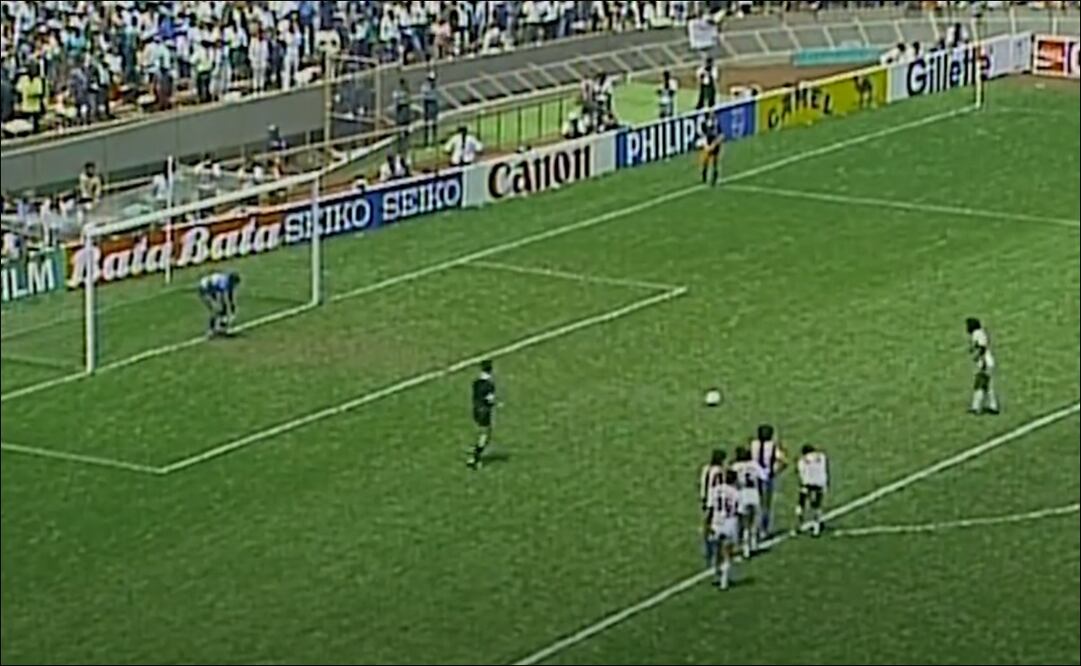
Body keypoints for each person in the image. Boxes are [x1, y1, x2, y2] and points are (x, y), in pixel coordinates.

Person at [704, 469, 741, 590]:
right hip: (730, 522)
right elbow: (738, 510)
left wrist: (707, 524)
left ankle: (717, 574)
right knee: (727, 553)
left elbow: (710, 508)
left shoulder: (715, 490)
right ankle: (724, 580)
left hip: (717, 521)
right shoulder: (736, 492)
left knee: (718, 550)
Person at [750, 424, 786, 537]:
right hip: (767, 476)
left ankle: (753, 529)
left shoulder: (753, 444)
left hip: (753, 476)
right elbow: (783, 460)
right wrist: (776, 471)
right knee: (766, 504)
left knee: (755, 504)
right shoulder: (773, 446)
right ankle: (763, 529)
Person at [730, 446, 764, 558]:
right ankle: (754, 544)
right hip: (754, 494)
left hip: (742, 495)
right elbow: (764, 477)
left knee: (744, 524)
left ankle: (745, 549)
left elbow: (731, 481)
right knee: (754, 522)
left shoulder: (735, 467)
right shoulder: (755, 465)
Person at [966, 317, 999, 415]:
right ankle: (980, 406)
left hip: (985, 362)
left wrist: (981, 361)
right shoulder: (979, 333)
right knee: (983, 385)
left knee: (983, 385)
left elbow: (982, 348)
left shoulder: (977, 334)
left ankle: (983, 407)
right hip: (986, 362)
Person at [468, 359, 496, 469]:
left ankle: (475, 452)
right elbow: (490, 400)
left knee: (481, 433)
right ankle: (475, 457)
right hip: (484, 411)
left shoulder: (476, 383)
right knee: (485, 435)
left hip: (475, 409)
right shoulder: (489, 385)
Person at [796, 444, 829, 537]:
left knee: (801, 504)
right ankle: (816, 528)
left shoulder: (802, 461)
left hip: (807, 484)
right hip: (819, 483)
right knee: (816, 506)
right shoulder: (822, 457)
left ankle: (800, 524)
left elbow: (801, 474)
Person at [197, 270, 241, 337]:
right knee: (216, 309)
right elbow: (222, 297)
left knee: (222, 309)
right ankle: (211, 330)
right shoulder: (224, 282)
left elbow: (230, 295)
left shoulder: (229, 283)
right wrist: (227, 309)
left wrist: (233, 306)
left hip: (212, 288)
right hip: (204, 289)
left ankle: (221, 327)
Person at [698, 113, 722, 186]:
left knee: (715, 161)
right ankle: (704, 173)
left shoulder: (716, 124)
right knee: (706, 159)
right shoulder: (704, 124)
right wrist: (707, 146)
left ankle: (715, 177)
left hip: (715, 143)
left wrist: (714, 145)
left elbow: (720, 136)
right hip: (708, 142)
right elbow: (703, 136)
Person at [421, 71, 439, 147]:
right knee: (427, 125)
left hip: (434, 106)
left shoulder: (434, 86)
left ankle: (434, 140)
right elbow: (425, 95)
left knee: (434, 124)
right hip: (428, 105)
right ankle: (426, 141)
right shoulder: (425, 86)